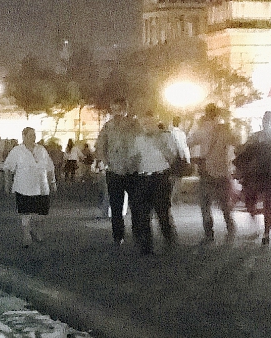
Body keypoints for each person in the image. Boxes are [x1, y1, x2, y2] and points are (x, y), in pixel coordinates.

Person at [188, 103, 238, 245]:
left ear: (206, 114)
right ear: (217, 114)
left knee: (205, 204)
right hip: (222, 172)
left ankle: (209, 234)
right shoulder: (224, 130)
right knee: (224, 203)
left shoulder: (202, 129)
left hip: (207, 172)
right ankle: (230, 227)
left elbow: (189, 142)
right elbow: (237, 141)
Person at [130, 114, 179, 254]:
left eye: (150, 123)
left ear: (156, 123)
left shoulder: (166, 136)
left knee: (162, 212)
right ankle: (146, 246)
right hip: (143, 177)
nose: (147, 126)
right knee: (143, 213)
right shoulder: (138, 139)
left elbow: (173, 158)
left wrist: (161, 145)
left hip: (160, 177)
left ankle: (169, 239)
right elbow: (134, 159)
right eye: (144, 124)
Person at [94, 98, 141, 245]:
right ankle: (118, 236)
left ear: (125, 109)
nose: (116, 113)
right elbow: (100, 145)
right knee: (115, 206)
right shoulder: (108, 126)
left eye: (119, 109)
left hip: (132, 170)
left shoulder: (135, 125)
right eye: (114, 109)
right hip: (114, 171)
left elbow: (142, 144)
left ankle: (138, 233)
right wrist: (105, 162)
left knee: (136, 205)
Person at [234, 110, 271, 245]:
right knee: (266, 204)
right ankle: (266, 232)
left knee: (254, 201)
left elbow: (242, 151)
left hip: (256, 173)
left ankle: (264, 231)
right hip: (267, 173)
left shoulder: (257, 137)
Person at [3, 127, 56, 247]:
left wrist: (53, 182)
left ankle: (37, 231)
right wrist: (7, 184)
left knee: (41, 213)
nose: (33, 137)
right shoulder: (17, 151)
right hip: (24, 186)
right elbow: (8, 167)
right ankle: (26, 234)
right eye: (31, 135)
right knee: (25, 212)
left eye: (34, 135)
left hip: (41, 186)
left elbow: (50, 167)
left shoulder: (41, 150)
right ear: (24, 136)